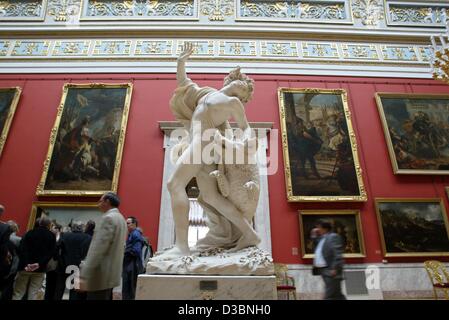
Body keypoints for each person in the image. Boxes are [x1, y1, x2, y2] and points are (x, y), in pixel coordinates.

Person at [156, 42, 260, 260]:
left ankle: (182, 247)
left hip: (203, 143)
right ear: (232, 80)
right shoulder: (206, 95)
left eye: (246, 90)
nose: (243, 90)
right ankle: (250, 234)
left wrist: (245, 145)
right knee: (211, 197)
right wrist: (181, 61)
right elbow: (184, 83)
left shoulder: (233, 103)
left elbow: (246, 127)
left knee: (174, 184)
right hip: (199, 144)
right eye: (243, 84)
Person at [78, 192, 126, 300]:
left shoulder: (108, 218)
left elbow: (97, 250)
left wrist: (84, 275)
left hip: (99, 275)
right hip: (111, 276)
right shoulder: (121, 219)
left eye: (100, 201)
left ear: (107, 201)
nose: (98, 204)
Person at [12, 215, 56, 300]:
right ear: (49, 225)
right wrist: (39, 264)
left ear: (39, 223)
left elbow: (22, 249)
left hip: (25, 267)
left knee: (18, 292)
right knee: (34, 293)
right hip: (40, 269)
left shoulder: (29, 233)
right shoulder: (51, 236)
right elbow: (51, 253)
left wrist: (27, 264)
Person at [311, 219, 346, 300]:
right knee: (337, 295)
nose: (317, 229)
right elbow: (314, 241)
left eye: (319, 227)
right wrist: (313, 233)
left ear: (325, 228)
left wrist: (335, 268)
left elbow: (338, 254)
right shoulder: (322, 238)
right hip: (324, 270)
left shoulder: (333, 237)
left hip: (331, 270)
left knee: (329, 295)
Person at [59, 220, 92, 300]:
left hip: (64, 265)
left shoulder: (65, 235)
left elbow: (59, 250)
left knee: (60, 289)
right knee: (75, 291)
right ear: (82, 228)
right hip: (79, 266)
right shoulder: (88, 237)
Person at [122, 216, 144, 300]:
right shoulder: (132, 234)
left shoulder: (135, 234)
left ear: (134, 224)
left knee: (130, 288)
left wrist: (125, 251)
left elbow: (136, 251)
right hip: (130, 264)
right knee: (129, 288)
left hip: (133, 265)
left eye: (128, 223)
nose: (126, 225)